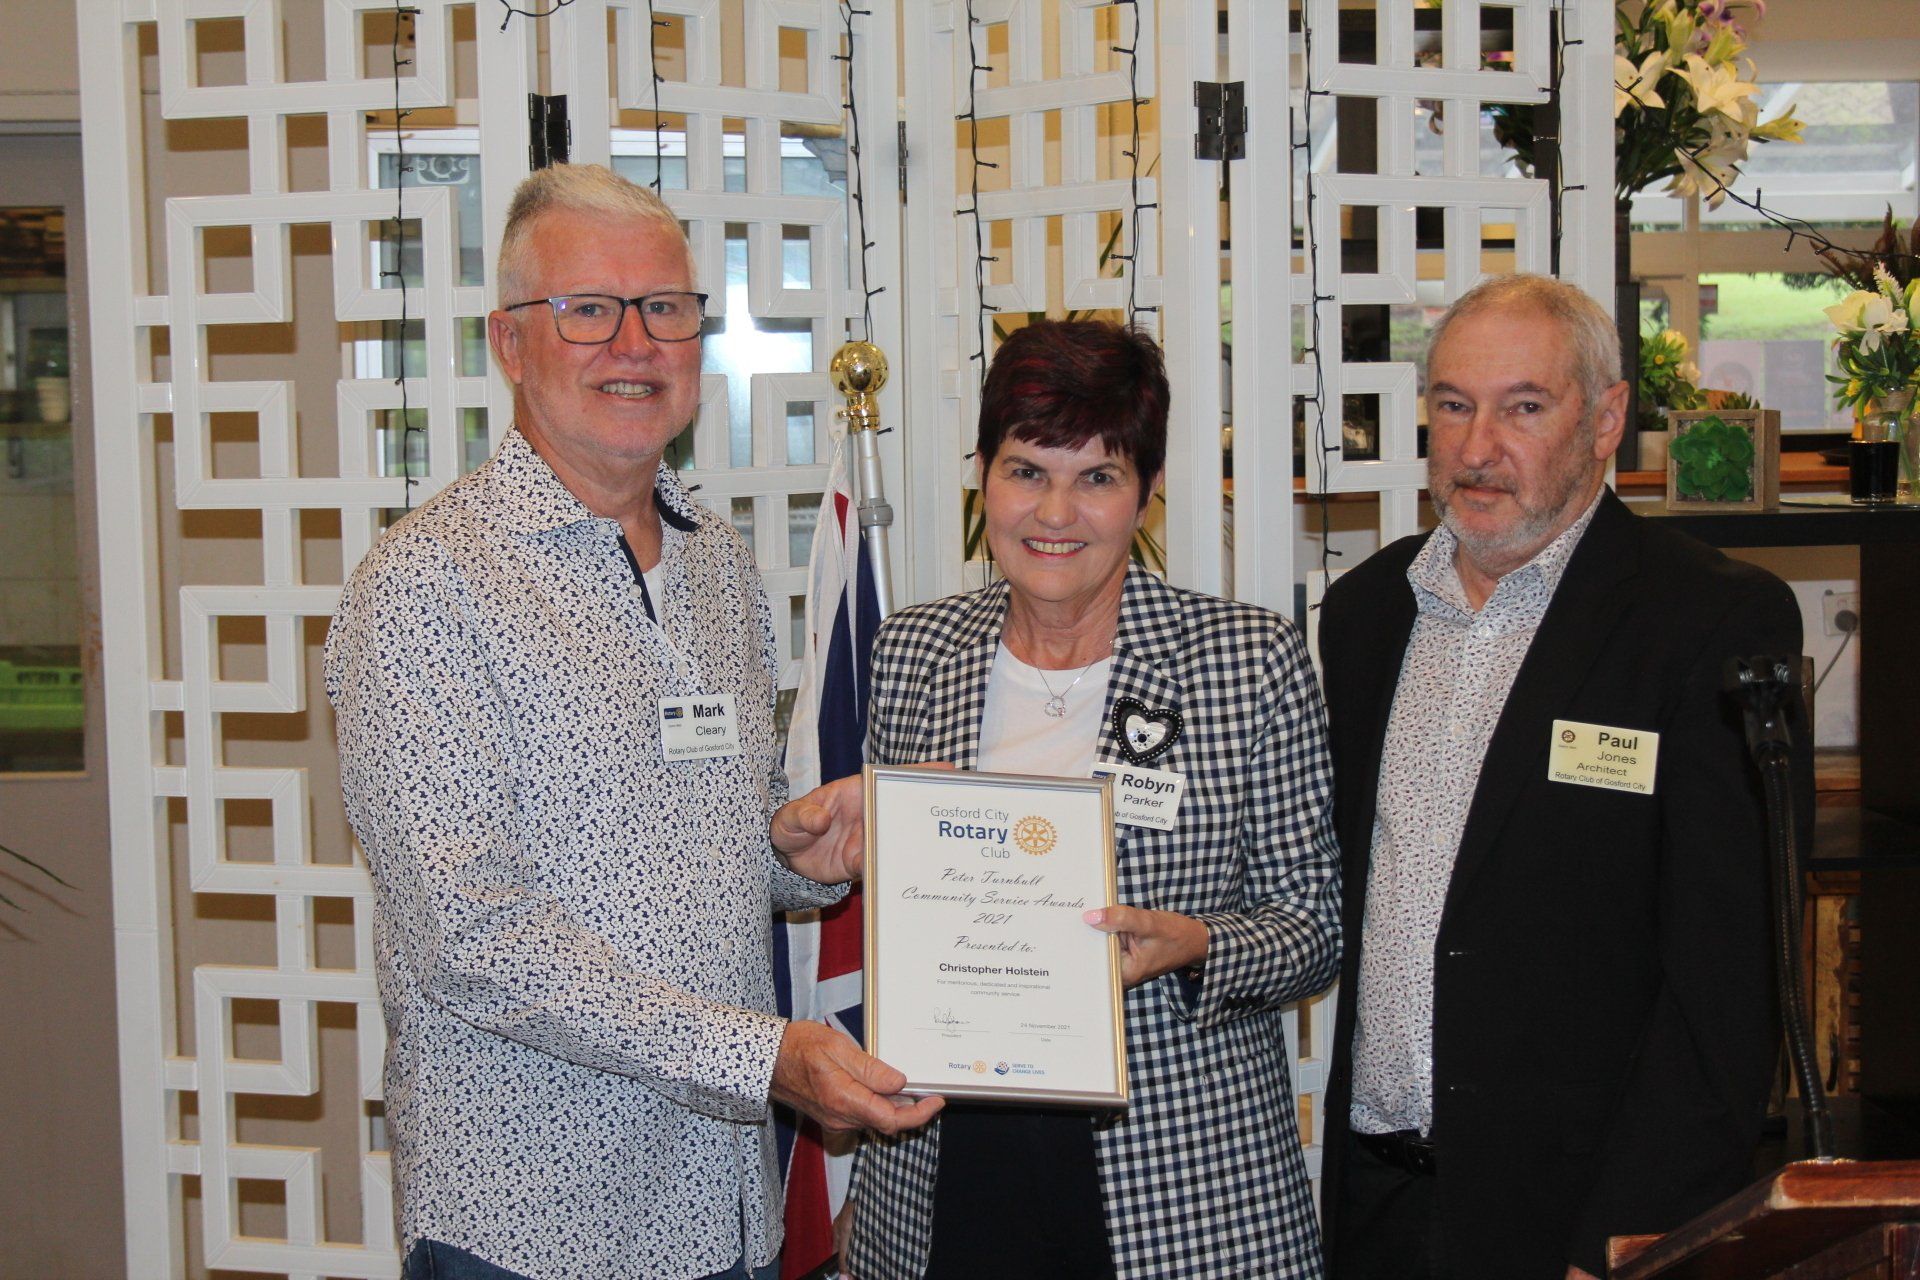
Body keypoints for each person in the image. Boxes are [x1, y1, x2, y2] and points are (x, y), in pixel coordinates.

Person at [324, 163, 940, 1280]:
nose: (635, 342)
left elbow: (700, 832)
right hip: (537, 1224)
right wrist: (765, 1056)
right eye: (588, 310)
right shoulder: (422, 587)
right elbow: (475, 939)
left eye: (665, 308)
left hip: (729, 1208)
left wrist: (795, 849)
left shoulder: (718, 565)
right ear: (511, 342)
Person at [1316, 274, 1802, 1280]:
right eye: (1453, 404)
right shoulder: (1367, 613)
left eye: (1523, 406)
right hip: (1380, 1205)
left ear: (1607, 418)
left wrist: (1629, 1234)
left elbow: (1728, 984)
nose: (1477, 444)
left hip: (1582, 1221)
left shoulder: (1707, 621)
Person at [844, 319, 1343, 1280]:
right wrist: (802, 848)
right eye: (1027, 470)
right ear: (982, 478)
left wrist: (1195, 942)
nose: (1055, 512)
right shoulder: (913, 650)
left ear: (1147, 492)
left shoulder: (1245, 660)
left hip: (1175, 1170)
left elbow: (1313, 924)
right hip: (948, 1154)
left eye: (1098, 477)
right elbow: (870, 882)